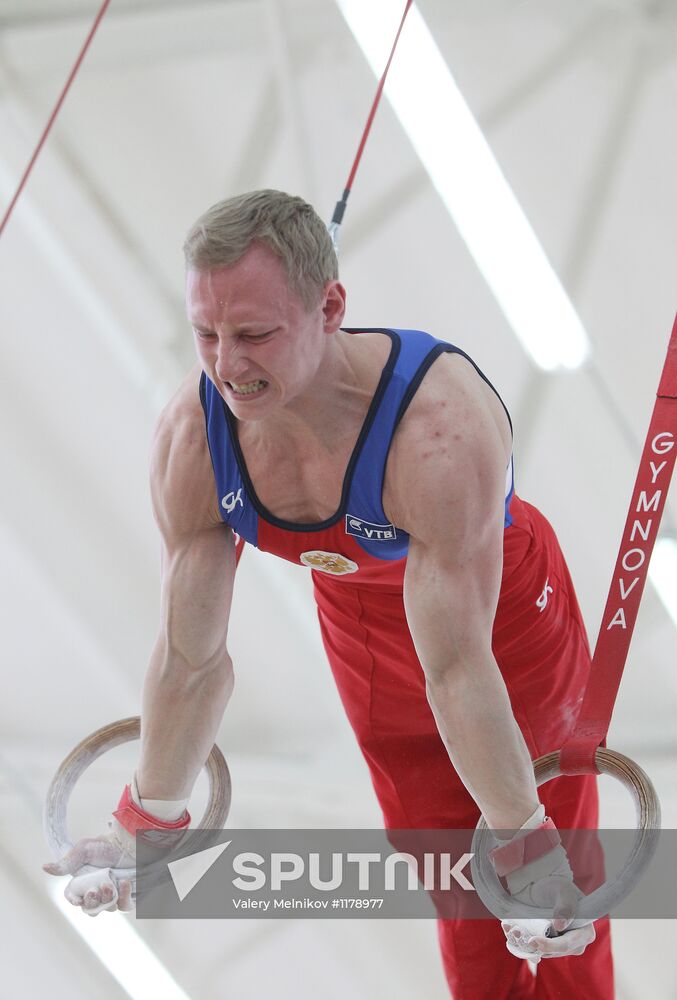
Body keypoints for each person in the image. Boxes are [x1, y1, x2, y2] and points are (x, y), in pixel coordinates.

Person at [44, 190, 614, 998]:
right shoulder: (193, 437)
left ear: (330, 307)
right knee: (447, 868)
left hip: (500, 620)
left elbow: (456, 669)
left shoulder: (437, 430)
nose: (226, 365)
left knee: (546, 857)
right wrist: (147, 819)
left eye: (254, 334)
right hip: (358, 619)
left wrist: (524, 840)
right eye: (205, 333)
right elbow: (190, 659)